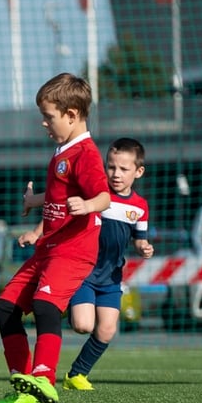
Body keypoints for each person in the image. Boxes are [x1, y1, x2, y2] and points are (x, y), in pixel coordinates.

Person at [0, 73, 110, 403]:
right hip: (50, 247)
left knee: (45, 306)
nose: (44, 123)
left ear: (71, 115)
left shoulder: (85, 152)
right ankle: (23, 386)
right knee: (6, 308)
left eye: (49, 116)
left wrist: (88, 205)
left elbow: (103, 196)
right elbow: (59, 197)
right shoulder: (62, 150)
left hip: (74, 250)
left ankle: (44, 379)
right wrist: (35, 208)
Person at [61, 138, 153, 390]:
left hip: (111, 277)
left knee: (107, 329)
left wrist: (144, 248)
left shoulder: (140, 207)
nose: (116, 174)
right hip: (84, 271)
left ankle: (76, 375)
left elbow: (139, 240)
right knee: (83, 325)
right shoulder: (97, 197)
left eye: (124, 169)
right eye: (111, 167)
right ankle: (65, 301)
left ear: (138, 171)